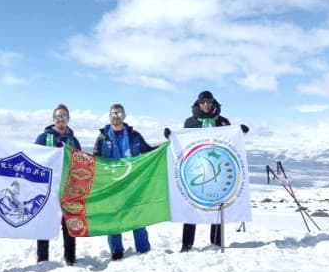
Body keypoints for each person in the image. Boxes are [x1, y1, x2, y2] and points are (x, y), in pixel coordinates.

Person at [164, 90, 248, 252]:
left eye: (209, 102)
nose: (206, 105)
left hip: (218, 169)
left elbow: (230, 140)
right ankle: (186, 245)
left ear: (213, 103)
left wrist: (240, 132)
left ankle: (215, 243)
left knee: (217, 205)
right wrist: (171, 136)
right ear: (198, 103)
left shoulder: (223, 122)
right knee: (191, 205)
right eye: (203, 102)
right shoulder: (190, 122)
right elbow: (184, 143)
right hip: (196, 169)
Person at [93, 103, 154, 260]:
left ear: (125, 116)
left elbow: (149, 151)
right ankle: (116, 252)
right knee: (113, 218)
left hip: (132, 183)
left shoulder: (134, 136)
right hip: (111, 185)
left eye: (119, 114)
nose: (116, 117)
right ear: (109, 116)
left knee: (136, 216)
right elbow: (95, 160)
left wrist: (167, 145)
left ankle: (144, 250)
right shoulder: (102, 137)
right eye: (113, 114)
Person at [34, 103, 81, 265]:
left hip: (68, 188)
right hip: (47, 188)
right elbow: (34, 159)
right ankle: (42, 260)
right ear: (53, 119)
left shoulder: (73, 140)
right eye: (58, 117)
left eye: (64, 117)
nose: (61, 120)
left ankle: (70, 258)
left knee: (68, 224)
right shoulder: (43, 138)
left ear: (68, 119)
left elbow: (81, 162)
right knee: (44, 224)